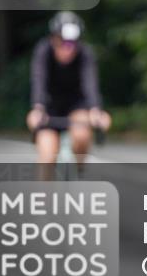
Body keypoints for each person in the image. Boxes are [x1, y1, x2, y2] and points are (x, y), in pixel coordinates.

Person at [26, 11, 111, 166]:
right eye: (63, 43)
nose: (68, 48)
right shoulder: (43, 51)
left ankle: (77, 171)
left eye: (72, 43)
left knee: (82, 136)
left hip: (77, 105)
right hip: (49, 106)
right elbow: (39, 80)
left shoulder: (85, 54)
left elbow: (90, 82)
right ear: (53, 39)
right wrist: (37, 108)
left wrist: (95, 110)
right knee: (47, 157)